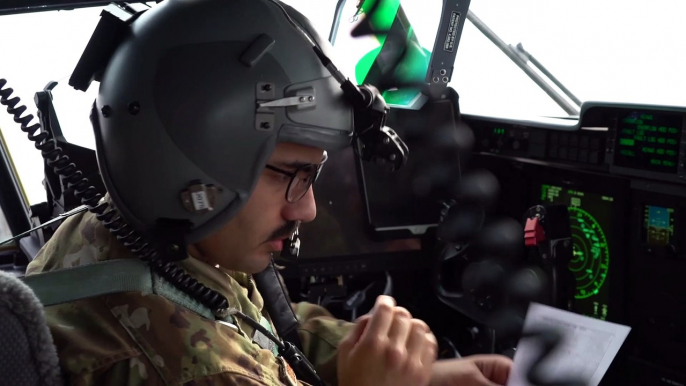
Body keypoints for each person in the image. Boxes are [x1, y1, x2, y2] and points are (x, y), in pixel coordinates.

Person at [25, 0, 513, 385]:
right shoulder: (198, 372)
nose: (307, 207)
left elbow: (252, 326)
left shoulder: (136, 236)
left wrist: (415, 375)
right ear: (193, 167)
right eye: (291, 173)